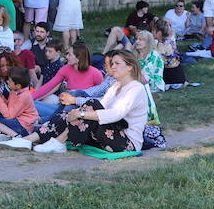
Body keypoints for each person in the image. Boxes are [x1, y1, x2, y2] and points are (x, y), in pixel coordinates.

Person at [14, 49, 150, 153]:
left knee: (90, 106)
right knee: (68, 114)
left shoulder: (136, 89)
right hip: (108, 133)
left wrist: (81, 114)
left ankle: (58, 142)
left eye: (117, 63)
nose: (113, 66)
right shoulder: (116, 86)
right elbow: (102, 104)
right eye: (112, 63)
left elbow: (116, 114)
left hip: (127, 142)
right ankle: (28, 140)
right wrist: (77, 111)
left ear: (130, 67)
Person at [30, 42, 104, 103]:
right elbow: (49, 85)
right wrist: (31, 97)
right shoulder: (66, 69)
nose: (66, 57)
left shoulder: (96, 73)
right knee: (35, 105)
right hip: (66, 105)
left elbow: (102, 94)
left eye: (69, 54)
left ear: (78, 58)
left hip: (84, 109)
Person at [0, 66, 39, 142]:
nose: (7, 82)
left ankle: (17, 137)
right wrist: (0, 96)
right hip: (16, 120)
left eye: (10, 81)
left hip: (24, 126)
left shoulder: (24, 96)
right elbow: (9, 106)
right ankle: (6, 135)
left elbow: (9, 116)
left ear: (18, 85)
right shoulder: (15, 91)